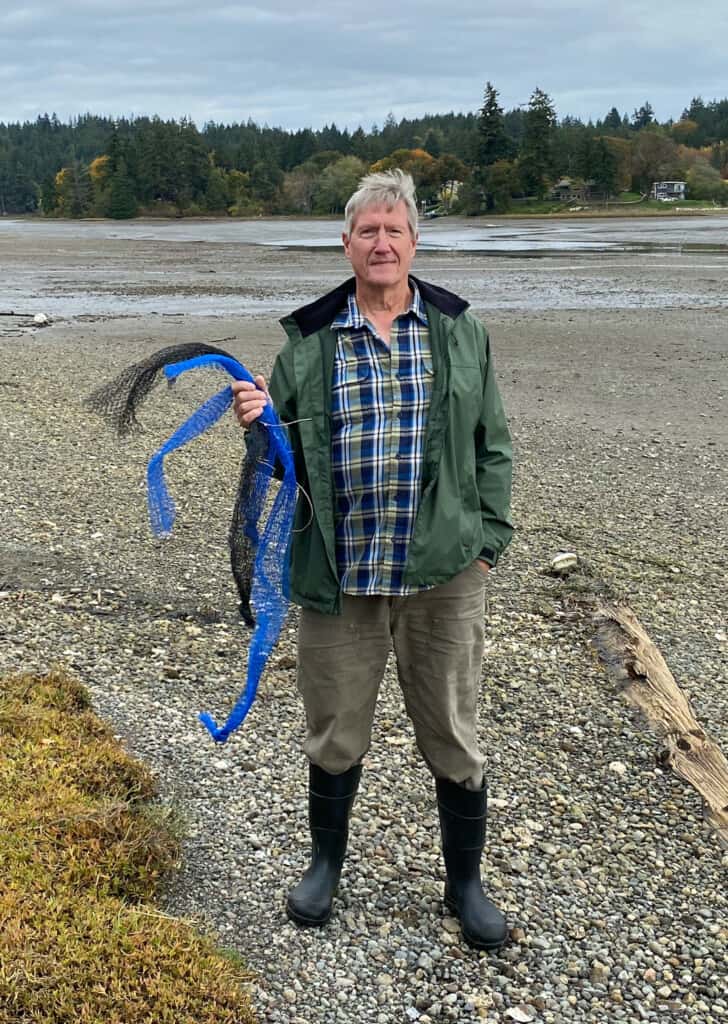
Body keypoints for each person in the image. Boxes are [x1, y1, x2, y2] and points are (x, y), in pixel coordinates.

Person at [231, 169, 513, 951]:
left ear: (415, 241)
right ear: (346, 244)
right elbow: (283, 464)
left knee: (454, 732)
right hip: (339, 574)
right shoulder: (308, 343)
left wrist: (487, 544)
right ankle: (325, 865)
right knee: (333, 730)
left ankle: (465, 883)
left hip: (443, 576)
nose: (381, 242)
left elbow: (495, 446)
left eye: (394, 229)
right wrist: (258, 419)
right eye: (367, 231)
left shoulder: (461, 332)